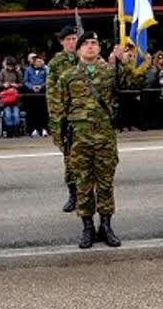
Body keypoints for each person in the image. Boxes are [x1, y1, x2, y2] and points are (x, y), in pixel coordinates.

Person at [55, 31, 125, 249]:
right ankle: (87, 228)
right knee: (84, 185)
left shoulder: (110, 72)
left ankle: (106, 226)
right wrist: (60, 139)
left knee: (105, 184)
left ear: (100, 49)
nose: (90, 47)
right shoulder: (68, 77)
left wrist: (122, 61)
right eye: (85, 44)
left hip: (104, 138)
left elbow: (131, 82)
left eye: (94, 43)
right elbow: (59, 110)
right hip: (79, 140)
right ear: (78, 50)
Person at [47, 25, 81, 213]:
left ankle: (87, 195)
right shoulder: (55, 64)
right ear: (62, 42)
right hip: (66, 119)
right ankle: (73, 194)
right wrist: (57, 123)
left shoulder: (85, 59)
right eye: (68, 39)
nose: (71, 42)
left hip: (85, 118)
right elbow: (52, 96)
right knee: (70, 160)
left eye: (74, 38)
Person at [23, 55, 49, 137]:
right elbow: (26, 81)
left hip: (42, 94)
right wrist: (32, 87)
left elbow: (47, 80)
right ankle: (33, 130)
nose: (40, 63)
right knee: (32, 112)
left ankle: (44, 129)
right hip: (32, 94)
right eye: (38, 61)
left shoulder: (45, 70)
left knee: (43, 112)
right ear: (34, 62)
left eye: (41, 61)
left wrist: (41, 86)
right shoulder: (28, 70)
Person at [0, 57, 23, 137]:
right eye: (9, 66)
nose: (10, 67)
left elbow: (22, 83)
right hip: (6, 97)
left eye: (12, 66)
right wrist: (4, 85)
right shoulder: (2, 72)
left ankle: (16, 130)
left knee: (16, 114)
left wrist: (16, 85)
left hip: (15, 97)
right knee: (7, 114)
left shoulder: (18, 72)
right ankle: (9, 131)